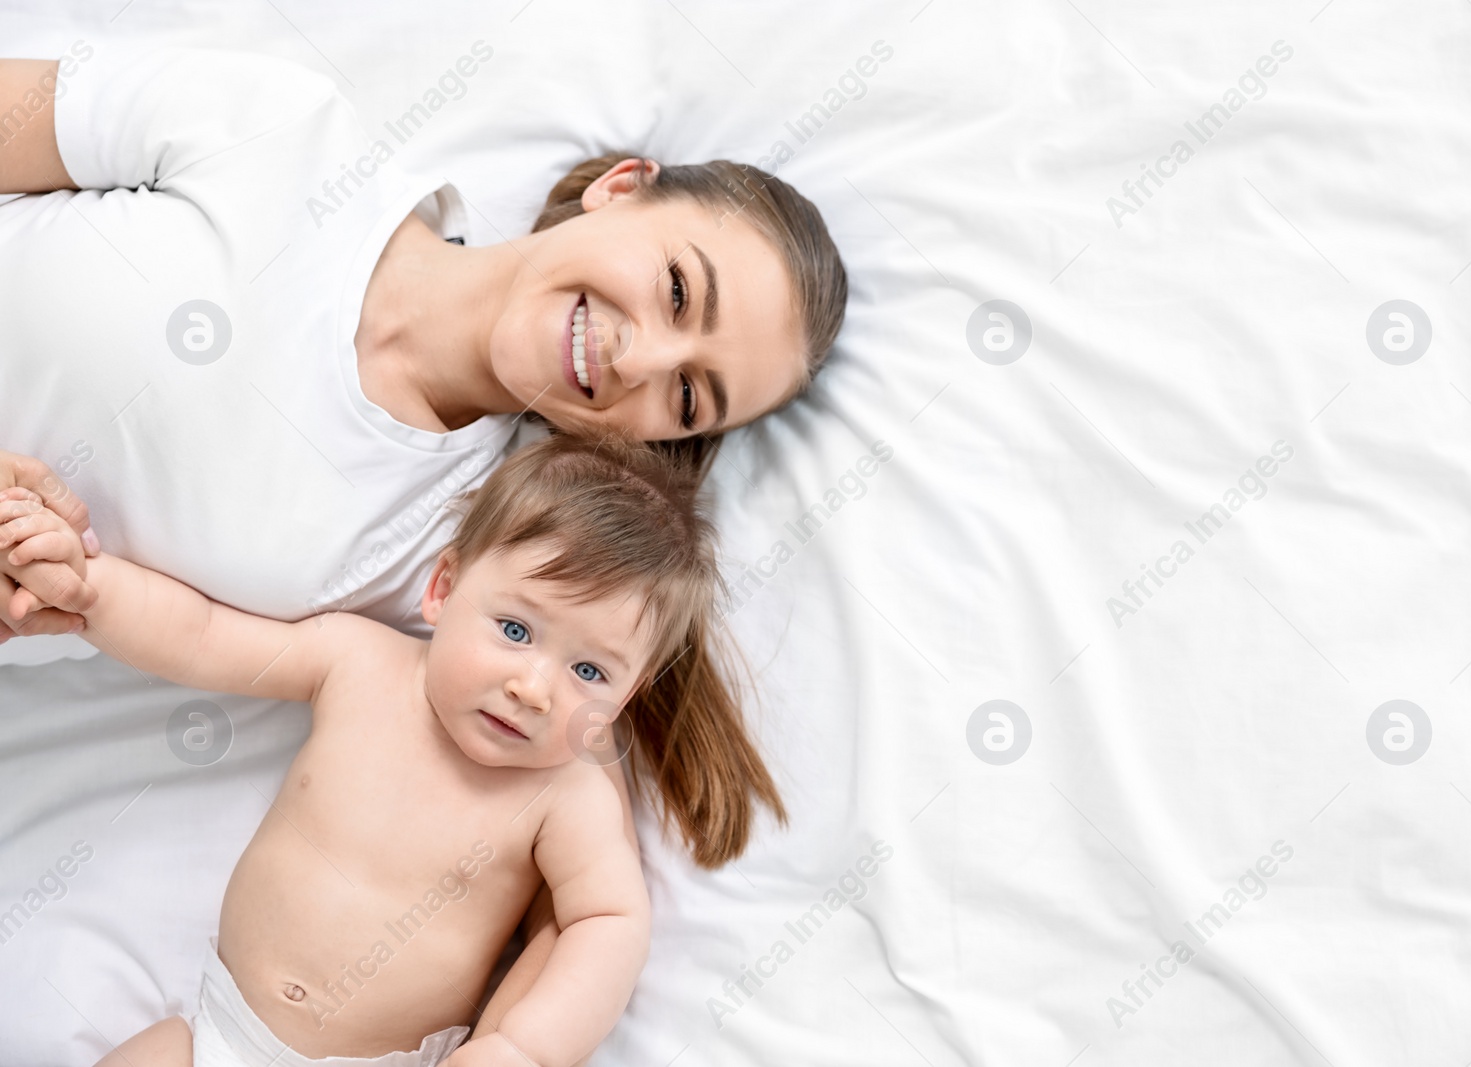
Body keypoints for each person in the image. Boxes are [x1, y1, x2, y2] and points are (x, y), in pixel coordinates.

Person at [0, 43, 848, 642]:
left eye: (690, 396)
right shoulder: (284, 135)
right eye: (676, 291)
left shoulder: (437, 559)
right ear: (622, 191)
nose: (639, 361)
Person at [0, 431, 786, 1067]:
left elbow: (608, 920)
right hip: (214, 1034)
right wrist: (91, 593)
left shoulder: (569, 794)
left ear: (632, 692)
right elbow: (203, 636)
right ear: (443, 589)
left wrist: (521, 1046)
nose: (535, 688)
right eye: (515, 630)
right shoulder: (360, 664)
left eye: (589, 670)